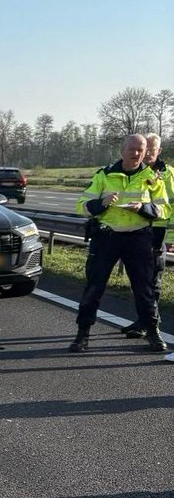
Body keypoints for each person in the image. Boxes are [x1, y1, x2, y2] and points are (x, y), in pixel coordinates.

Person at [71, 134, 167, 353]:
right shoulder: (104, 175)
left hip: (139, 238)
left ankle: (153, 332)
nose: (136, 153)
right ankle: (82, 335)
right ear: (122, 151)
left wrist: (143, 208)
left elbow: (164, 209)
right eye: (132, 149)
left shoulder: (152, 177)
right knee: (94, 287)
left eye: (141, 149)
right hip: (107, 237)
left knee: (145, 289)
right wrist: (102, 203)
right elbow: (81, 205)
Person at [120, 133, 173, 338]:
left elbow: (170, 207)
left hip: (157, 234)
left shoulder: (167, 174)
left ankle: (151, 325)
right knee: (140, 281)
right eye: (145, 149)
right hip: (136, 233)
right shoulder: (137, 172)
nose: (148, 153)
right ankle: (142, 320)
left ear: (159, 151)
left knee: (152, 281)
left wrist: (170, 238)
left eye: (152, 149)